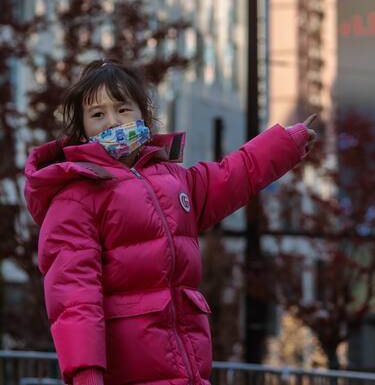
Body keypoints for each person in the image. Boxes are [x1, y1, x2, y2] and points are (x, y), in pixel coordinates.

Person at [24, 59, 317, 385]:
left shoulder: (172, 179)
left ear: (143, 114)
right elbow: (74, 298)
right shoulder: (75, 196)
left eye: (122, 109)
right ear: (81, 130)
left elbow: (232, 176)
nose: (111, 122)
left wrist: (288, 142)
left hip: (186, 368)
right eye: (97, 114)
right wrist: (86, 375)